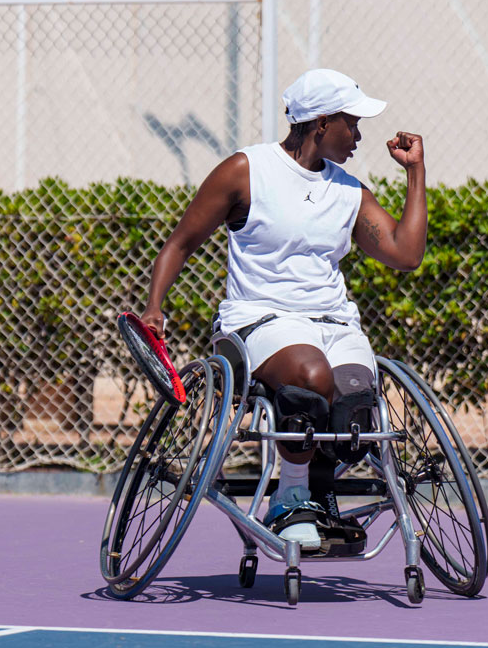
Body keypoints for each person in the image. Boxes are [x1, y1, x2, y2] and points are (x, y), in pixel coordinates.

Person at [140, 68, 426, 551]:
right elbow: (180, 243)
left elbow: (406, 253)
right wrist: (154, 306)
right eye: (352, 124)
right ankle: (289, 497)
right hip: (259, 321)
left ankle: (319, 494)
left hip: (333, 323)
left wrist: (415, 172)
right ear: (321, 123)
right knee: (311, 376)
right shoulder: (246, 171)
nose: (358, 137)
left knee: (356, 406)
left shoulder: (349, 191)